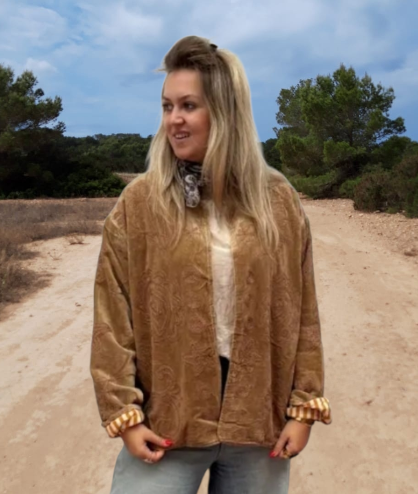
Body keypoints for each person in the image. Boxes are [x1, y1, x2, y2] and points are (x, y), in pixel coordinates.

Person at [90, 35, 331, 494]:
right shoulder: (139, 204)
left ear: (225, 112)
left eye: (188, 106)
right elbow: (111, 317)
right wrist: (124, 414)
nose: (173, 120)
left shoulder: (277, 201)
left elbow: (303, 313)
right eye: (167, 107)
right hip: (168, 423)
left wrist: (304, 406)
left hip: (258, 425)